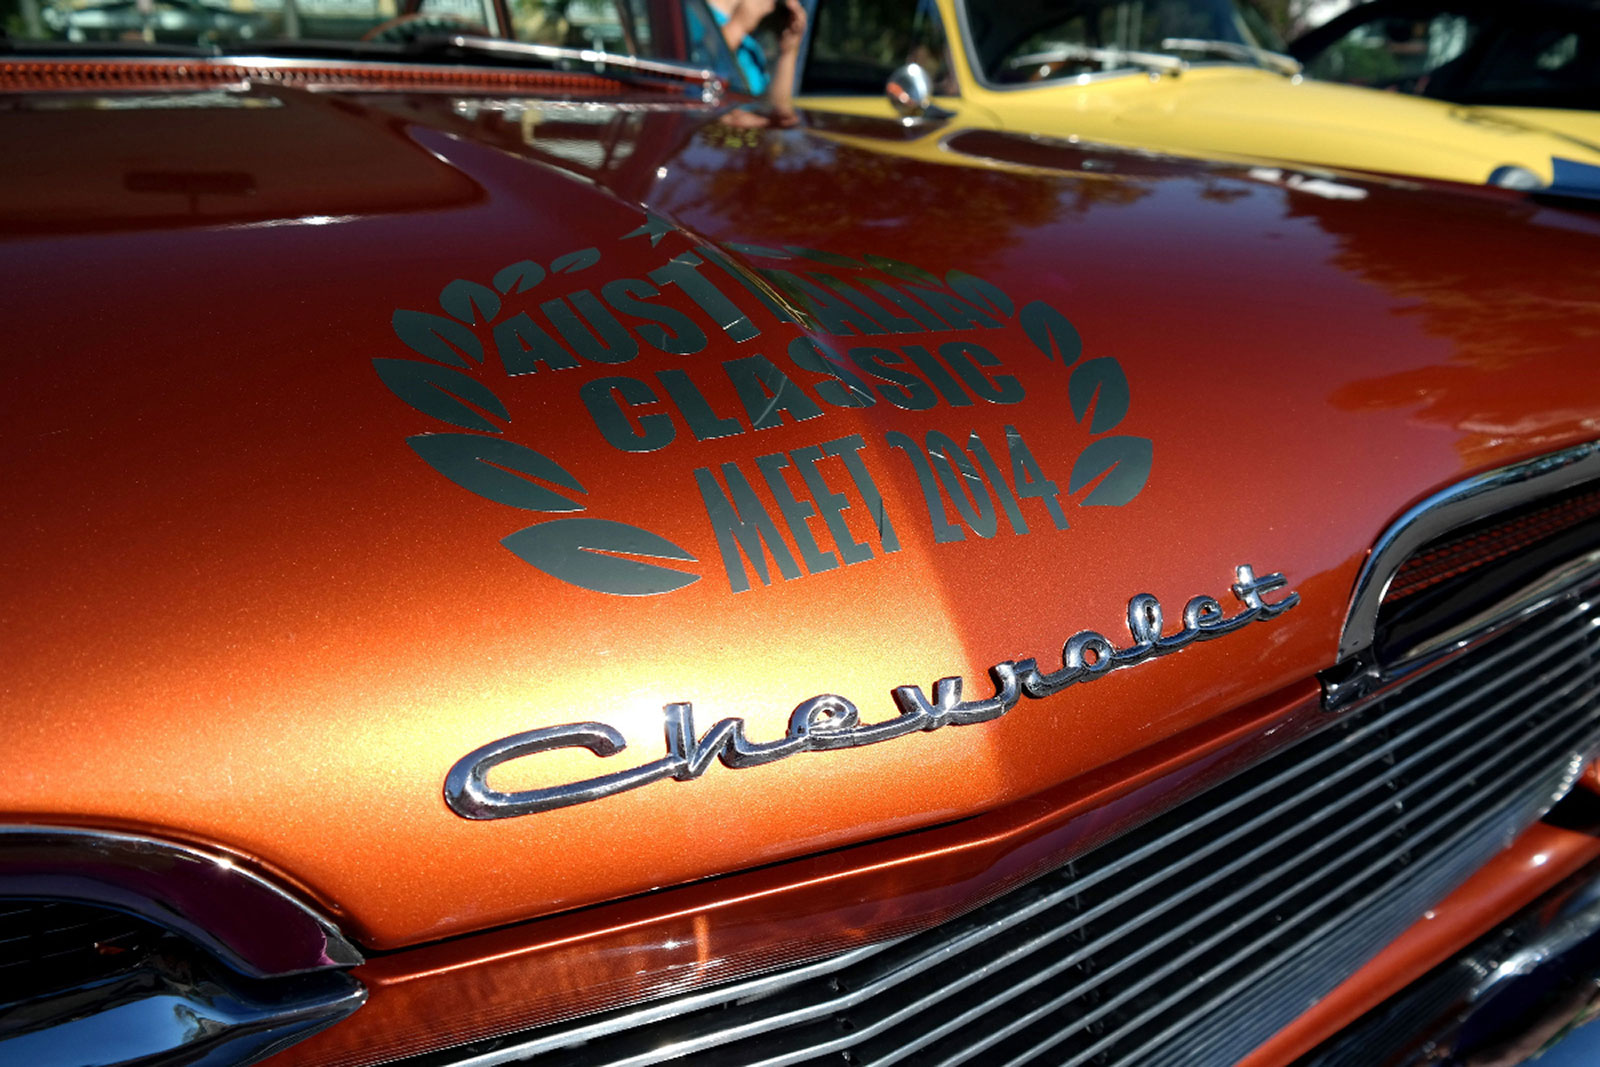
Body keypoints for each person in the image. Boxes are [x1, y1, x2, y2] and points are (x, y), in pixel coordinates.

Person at [705, 0, 808, 120]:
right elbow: (700, 68)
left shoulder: (751, 47)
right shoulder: (692, 12)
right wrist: (738, 26)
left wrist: (788, 51)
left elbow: (777, 109)